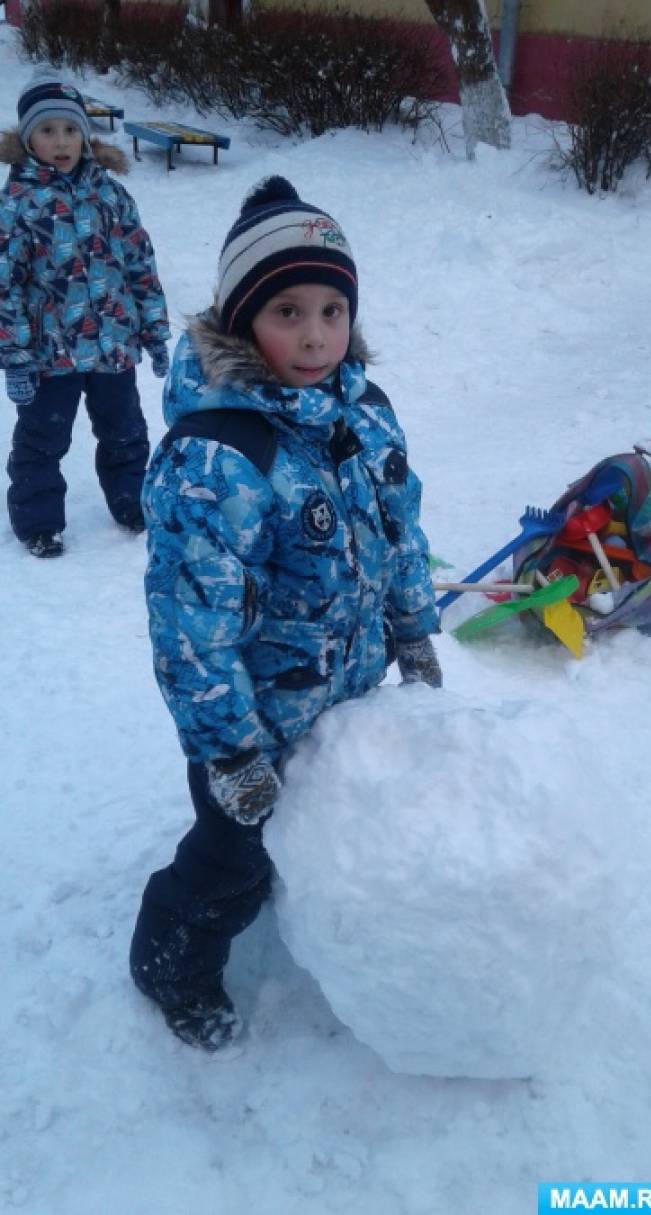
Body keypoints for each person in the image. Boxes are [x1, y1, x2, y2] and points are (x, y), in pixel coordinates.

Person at [129, 175, 442, 1051]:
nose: (315, 335)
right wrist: (229, 748)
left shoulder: (366, 415)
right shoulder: (218, 455)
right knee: (229, 862)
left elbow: (399, 531)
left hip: (342, 694)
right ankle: (172, 966)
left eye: (333, 310)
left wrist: (413, 629)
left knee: (314, 827)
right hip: (253, 718)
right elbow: (192, 625)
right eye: (288, 312)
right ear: (241, 322)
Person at [0, 72, 170, 557]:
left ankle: (131, 499)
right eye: (48, 131)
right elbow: (4, 286)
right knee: (40, 439)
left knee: (126, 432)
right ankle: (38, 522)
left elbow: (140, 265)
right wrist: (14, 356)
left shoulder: (111, 196)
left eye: (70, 130)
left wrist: (154, 332)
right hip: (49, 354)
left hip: (113, 344)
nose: (61, 142)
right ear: (27, 138)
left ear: (85, 135)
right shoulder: (16, 206)